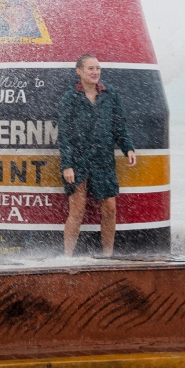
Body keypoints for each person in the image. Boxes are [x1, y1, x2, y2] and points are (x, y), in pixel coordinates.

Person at [58, 54, 136, 256]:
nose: (95, 72)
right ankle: (67, 257)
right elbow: (64, 134)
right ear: (79, 71)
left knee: (110, 208)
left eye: (98, 68)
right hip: (78, 160)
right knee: (77, 211)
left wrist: (128, 148)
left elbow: (119, 125)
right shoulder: (70, 97)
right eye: (90, 68)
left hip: (103, 160)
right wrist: (67, 165)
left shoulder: (109, 94)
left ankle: (107, 255)